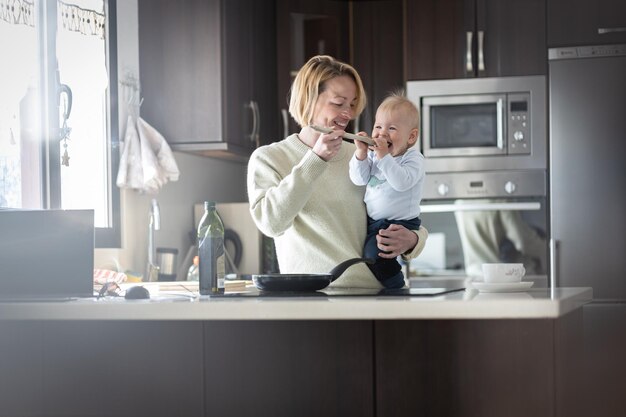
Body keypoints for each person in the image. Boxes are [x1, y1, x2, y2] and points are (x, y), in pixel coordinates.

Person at [247, 55, 428, 289]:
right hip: (313, 300)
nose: (348, 113)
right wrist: (316, 159)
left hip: (374, 295)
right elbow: (271, 223)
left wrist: (413, 240)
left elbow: (401, 206)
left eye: (352, 104)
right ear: (309, 99)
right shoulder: (270, 158)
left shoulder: (362, 155)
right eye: (338, 103)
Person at [348, 92, 425, 289]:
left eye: (391, 128)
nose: (382, 134)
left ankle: (397, 287)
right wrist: (361, 153)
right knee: (374, 254)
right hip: (375, 223)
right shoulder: (375, 156)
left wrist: (383, 157)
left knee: (375, 256)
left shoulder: (412, 158)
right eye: (378, 127)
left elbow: (401, 182)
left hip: (401, 223)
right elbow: (358, 179)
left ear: (411, 136)